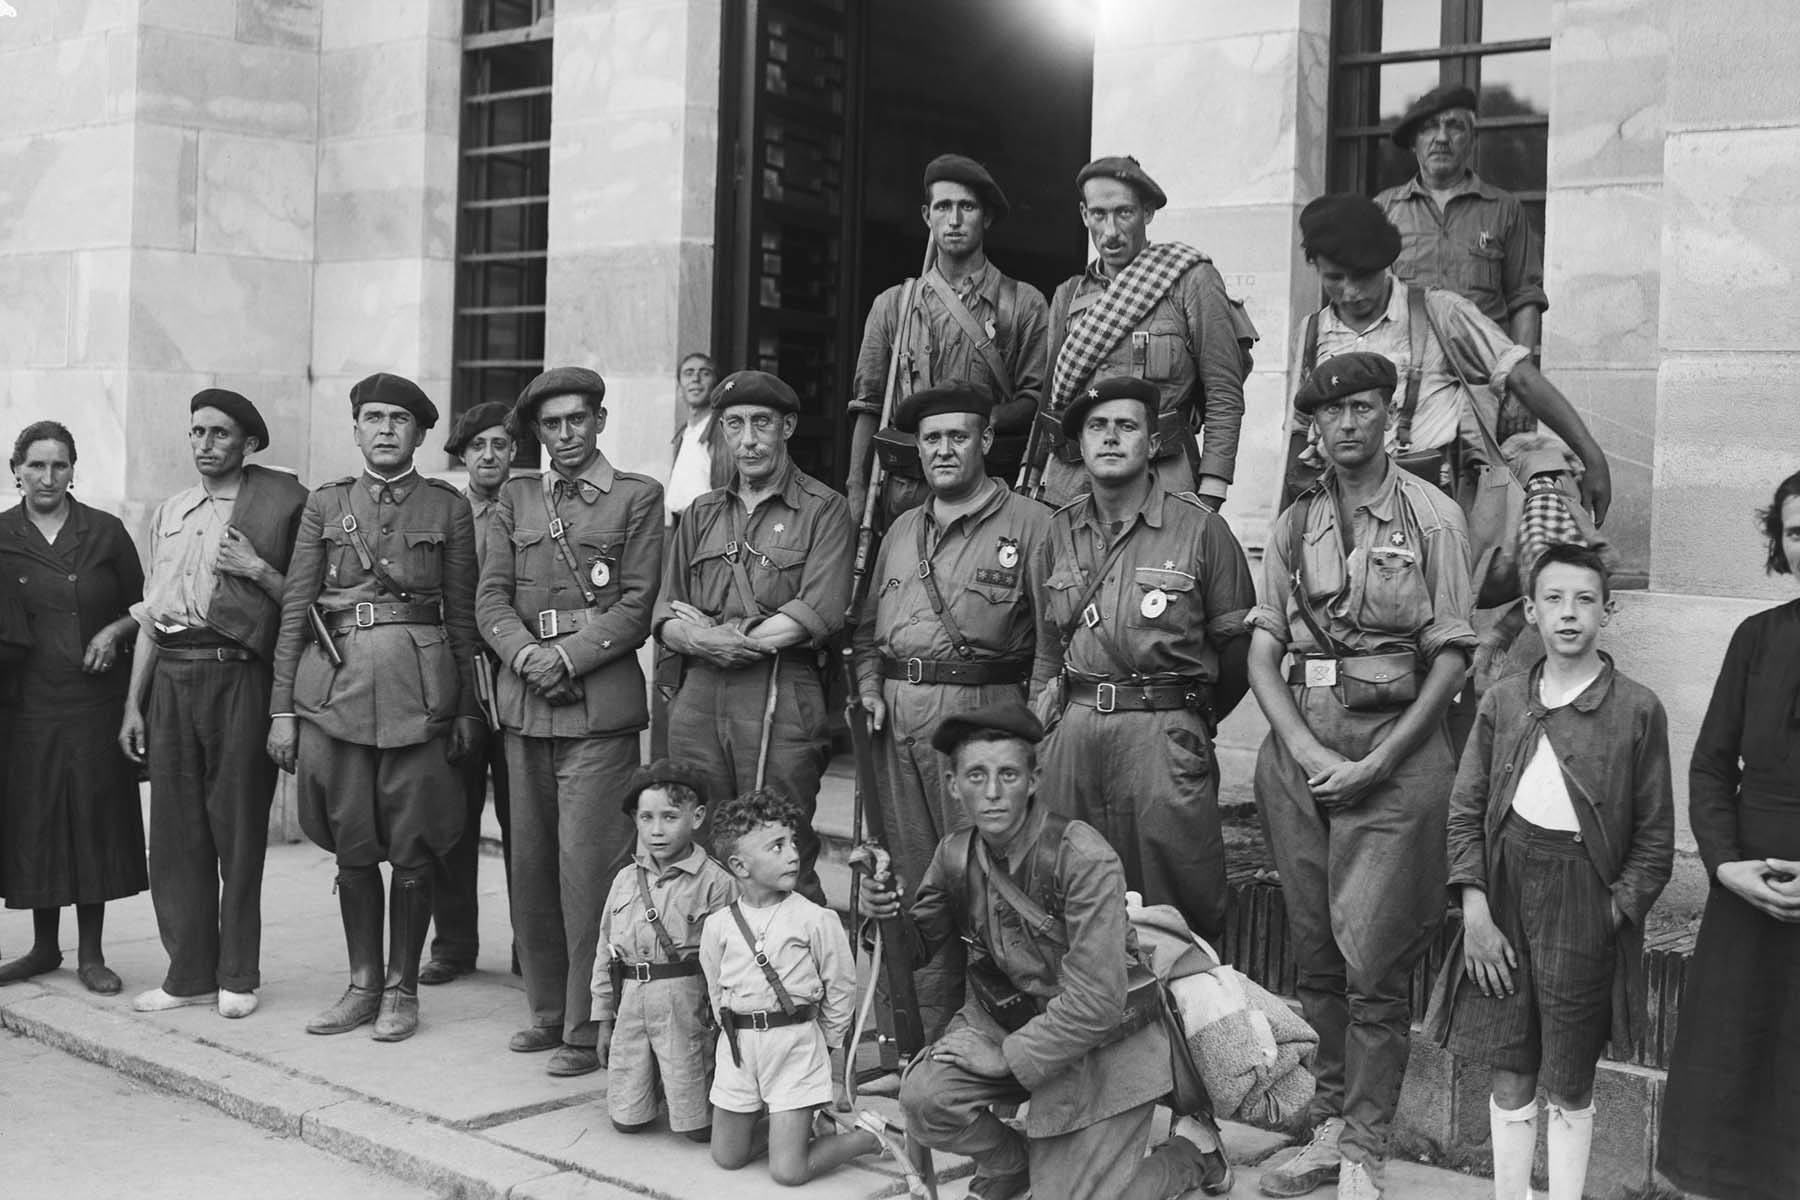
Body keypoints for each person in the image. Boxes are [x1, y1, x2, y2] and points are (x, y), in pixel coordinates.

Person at [1245, 353, 1476, 1200]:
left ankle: (1365, 1155)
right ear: (1314, 424)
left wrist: (1380, 762)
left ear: (1391, 417)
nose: (1348, 424)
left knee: (1374, 961)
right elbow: (1263, 648)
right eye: (1333, 413)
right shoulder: (1295, 519)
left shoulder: (1432, 516)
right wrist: (1304, 752)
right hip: (1302, 753)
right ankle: (1328, 1125)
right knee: (1316, 955)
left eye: (1366, 408)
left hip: (1398, 756)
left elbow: (1452, 656)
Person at [863, 701, 1229, 1200]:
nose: (992, 792)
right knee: (926, 1098)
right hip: (1011, 1020)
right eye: (976, 775)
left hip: (1103, 1042)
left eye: (1008, 774)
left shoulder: (1082, 857)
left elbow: (1098, 1003)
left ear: (1033, 780)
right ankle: (1019, 1166)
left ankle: (1193, 1154)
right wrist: (883, 912)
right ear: (953, 784)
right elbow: (914, 950)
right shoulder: (955, 853)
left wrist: (1005, 1059)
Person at [1429, 542, 1672, 1200]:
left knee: (1568, 1077)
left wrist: (1611, 912)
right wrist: (1476, 913)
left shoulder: (1638, 710)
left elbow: (1654, 837)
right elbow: (1466, 810)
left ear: (1607, 611)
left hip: (1582, 900)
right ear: (1531, 611)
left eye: (1585, 599)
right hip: (1504, 894)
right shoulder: (1505, 699)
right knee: (1510, 1067)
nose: (1570, 613)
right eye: (1555, 600)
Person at [266, 372, 485, 1043]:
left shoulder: (447, 508)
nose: (385, 429)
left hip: (421, 696)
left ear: (419, 435)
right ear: (356, 428)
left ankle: (401, 989)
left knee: (415, 848)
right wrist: (282, 710)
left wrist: (470, 710)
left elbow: (465, 620)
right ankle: (362, 983)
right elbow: (297, 609)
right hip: (334, 697)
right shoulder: (326, 505)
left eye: (399, 419)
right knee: (353, 848)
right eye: (373, 417)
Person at [476, 366, 663, 1077]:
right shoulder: (514, 498)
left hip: (596, 706)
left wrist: (569, 659)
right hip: (526, 705)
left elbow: (638, 605)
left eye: (576, 421)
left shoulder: (638, 498)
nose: (564, 435)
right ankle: (547, 1010)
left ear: (600, 421)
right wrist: (527, 656)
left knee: (590, 868)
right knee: (532, 866)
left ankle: (589, 1025)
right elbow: (489, 598)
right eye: (551, 425)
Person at [851, 382, 1053, 1039]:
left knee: (987, 882)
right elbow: (864, 632)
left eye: (957, 436)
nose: (943, 450)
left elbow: (1054, 644)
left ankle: (999, 1048)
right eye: (931, 439)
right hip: (897, 720)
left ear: (986, 441)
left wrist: (1031, 732)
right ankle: (913, 1040)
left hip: (982, 719)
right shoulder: (903, 528)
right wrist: (869, 686)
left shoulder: (1031, 524)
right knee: (908, 885)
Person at [1029, 376, 1255, 945]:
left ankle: (1185, 1031)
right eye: (1096, 428)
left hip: (1162, 740)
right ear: (1078, 446)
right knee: (1067, 900)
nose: (1110, 438)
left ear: (1154, 443)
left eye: (1126, 426)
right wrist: (1045, 734)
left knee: (1175, 910)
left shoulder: (1202, 529)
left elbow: (1239, 649)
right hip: (1074, 738)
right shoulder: (1057, 531)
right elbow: (1048, 646)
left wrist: (1188, 720)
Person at [118, 390, 307, 1019]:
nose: (204, 443)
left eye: (219, 434)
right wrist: (133, 705)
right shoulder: (171, 510)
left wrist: (256, 568)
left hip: (237, 675)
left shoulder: (278, 508)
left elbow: (306, 607)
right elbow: (150, 614)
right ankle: (188, 973)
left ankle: (236, 974)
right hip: (172, 673)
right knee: (174, 836)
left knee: (238, 828)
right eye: (196, 431)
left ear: (248, 444)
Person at [1287, 193, 1609, 527]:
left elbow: (1521, 377)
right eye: (1335, 278)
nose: (1351, 292)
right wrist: (1292, 515)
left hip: (1426, 510)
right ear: (1316, 267)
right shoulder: (1311, 331)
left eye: (1363, 275)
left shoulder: (1440, 313)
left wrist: (1591, 455)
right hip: (1337, 511)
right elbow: (1299, 427)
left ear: (1386, 263)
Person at [655, 370, 853, 906]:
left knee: (779, 843)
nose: (747, 440)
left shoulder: (824, 509)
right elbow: (666, 613)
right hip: (700, 691)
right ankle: (709, 980)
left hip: (781, 688)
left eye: (761, 424)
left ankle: (795, 984)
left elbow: (819, 608)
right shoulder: (700, 512)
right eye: (734, 425)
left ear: (786, 426)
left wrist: (722, 636)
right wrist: (697, 641)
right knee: (699, 845)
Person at [1657, 469, 1800, 1200]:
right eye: (1798, 533)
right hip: (1746, 899)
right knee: (1734, 1077)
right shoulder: (1756, 639)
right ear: (1780, 544)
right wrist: (1725, 867)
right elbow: (1711, 766)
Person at [0, 421, 145, 994]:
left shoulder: (105, 533)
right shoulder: (2, 535)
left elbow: (147, 608)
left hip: (94, 701)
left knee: (92, 817)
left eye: (59, 465)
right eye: (36, 465)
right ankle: (41, 948)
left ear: (73, 471)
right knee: (36, 818)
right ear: (16, 471)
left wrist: (113, 631)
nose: (47, 477)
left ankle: (91, 954)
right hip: (26, 704)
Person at [1036, 155, 1250, 510]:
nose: (1110, 231)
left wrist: (1213, 488)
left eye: (1124, 213)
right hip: (1074, 486)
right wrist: (1033, 476)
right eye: (1099, 214)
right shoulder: (1068, 295)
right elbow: (1049, 403)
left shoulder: (1190, 281)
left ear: (1147, 212)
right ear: (1084, 214)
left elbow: (1224, 392)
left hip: (1162, 482)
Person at [845, 154, 1049, 523]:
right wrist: (856, 489)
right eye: (943, 207)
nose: (953, 220)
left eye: (966, 207)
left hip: (988, 497)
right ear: (927, 216)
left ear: (985, 217)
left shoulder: (1024, 304)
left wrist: (975, 421)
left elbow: (1036, 399)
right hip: (905, 497)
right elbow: (868, 405)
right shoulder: (894, 305)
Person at [702, 787, 883, 1185]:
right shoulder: (719, 926)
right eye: (776, 846)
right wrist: (731, 1030)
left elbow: (840, 985)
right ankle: (798, 1125)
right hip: (739, 1049)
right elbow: (716, 985)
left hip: (794, 1045)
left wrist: (827, 1041)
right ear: (740, 866)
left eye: (791, 843)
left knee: (788, 1172)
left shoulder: (815, 919)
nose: (792, 854)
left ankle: (866, 1138)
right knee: (727, 1157)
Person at [420, 399, 516, 986]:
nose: (489, 455)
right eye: (477, 446)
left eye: (500, 445)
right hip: (456, 678)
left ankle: (532, 944)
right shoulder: (443, 511)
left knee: (524, 819)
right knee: (451, 817)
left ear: (514, 452)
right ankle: (453, 944)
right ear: (461, 454)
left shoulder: (531, 507)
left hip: (516, 675)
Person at [591, 759, 735, 1141]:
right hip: (632, 1001)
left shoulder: (716, 882)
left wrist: (724, 1023)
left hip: (685, 1005)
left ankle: (689, 1098)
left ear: (697, 817)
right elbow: (605, 953)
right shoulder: (625, 880)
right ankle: (646, 1089)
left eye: (670, 817)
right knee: (627, 1121)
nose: (656, 831)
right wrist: (604, 1019)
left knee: (698, 1128)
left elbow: (730, 960)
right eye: (646, 818)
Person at [1376, 84, 1546, 362]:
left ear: (1473, 139)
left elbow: (1525, 299)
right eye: (1429, 127)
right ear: (1413, 141)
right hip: (1407, 381)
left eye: (1454, 127)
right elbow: (1370, 305)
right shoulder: (1383, 211)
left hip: (1483, 380)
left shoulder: (1504, 210)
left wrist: (1517, 379)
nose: (1441, 138)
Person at [666, 352, 720, 523]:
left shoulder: (723, 430)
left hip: (709, 526)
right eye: (688, 373)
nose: (695, 379)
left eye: (705, 373)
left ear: (715, 383)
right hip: (680, 526)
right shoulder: (684, 433)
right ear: (679, 384)